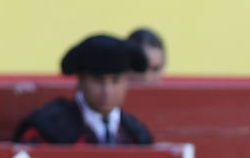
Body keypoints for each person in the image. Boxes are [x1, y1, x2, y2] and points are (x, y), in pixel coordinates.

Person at [12, 34, 153, 146]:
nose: (107, 91)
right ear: (80, 81)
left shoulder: (137, 135)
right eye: (98, 80)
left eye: (115, 81)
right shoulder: (47, 130)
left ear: (126, 82)